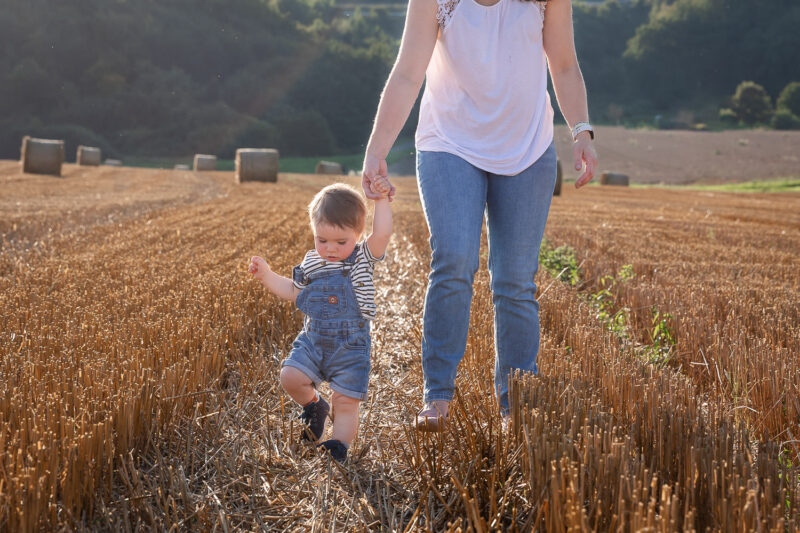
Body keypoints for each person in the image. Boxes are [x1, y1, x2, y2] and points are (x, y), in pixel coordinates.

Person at [360, 0, 598, 431]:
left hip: (527, 147)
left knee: (515, 280)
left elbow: (563, 65)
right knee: (453, 260)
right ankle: (437, 397)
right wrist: (376, 150)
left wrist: (581, 131)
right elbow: (408, 73)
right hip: (449, 141)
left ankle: (514, 404)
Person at [248, 179, 393, 461]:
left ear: (358, 234)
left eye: (341, 241)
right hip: (313, 339)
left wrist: (382, 200)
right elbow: (291, 290)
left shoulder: (362, 258)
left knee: (346, 403)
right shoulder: (312, 263)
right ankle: (315, 406)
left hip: (350, 345)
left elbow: (383, 233)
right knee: (290, 376)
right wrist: (266, 275)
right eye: (321, 239)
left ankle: (338, 446)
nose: (330, 248)